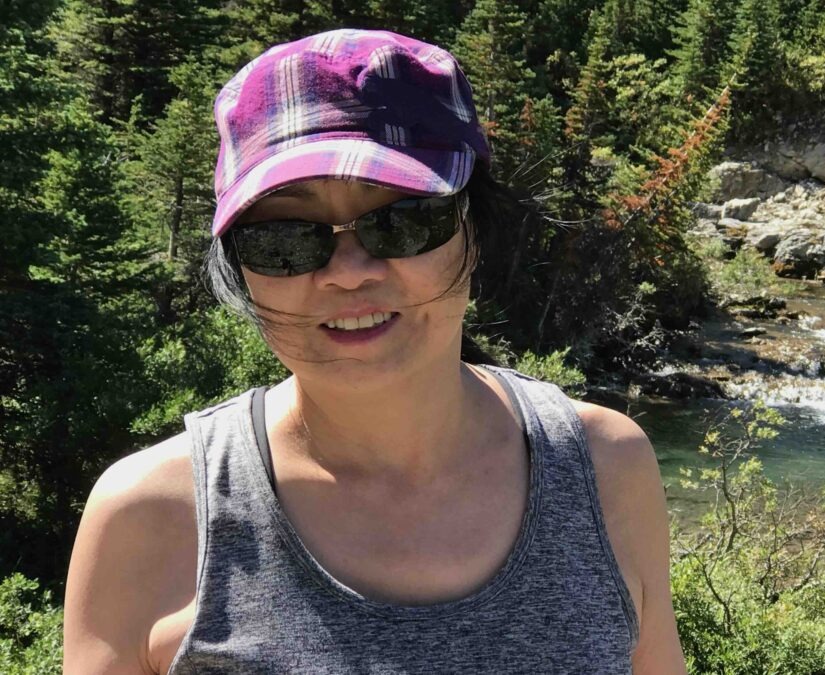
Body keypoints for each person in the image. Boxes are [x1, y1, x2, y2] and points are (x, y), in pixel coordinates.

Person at [63, 29, 686, 674]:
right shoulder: (149, 516)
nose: (348, 271)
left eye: (403, 220)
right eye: (285, 238)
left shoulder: (605, 468)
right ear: (239, 268)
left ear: (475, 231)